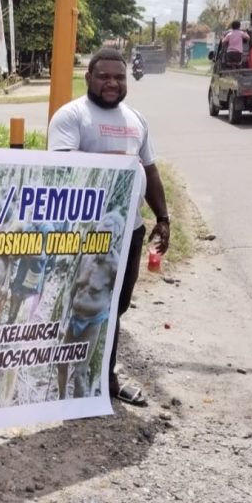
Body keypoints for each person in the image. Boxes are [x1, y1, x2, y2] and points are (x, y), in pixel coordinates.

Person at [47, 47, 170, 406]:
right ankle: (66, 383)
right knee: (81, 306)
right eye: (104, 76)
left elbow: (149, 170)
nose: (112, 83)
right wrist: (116, 164)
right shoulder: (71, 117)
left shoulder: (136, 120)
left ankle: (104, 377)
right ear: (89, 78)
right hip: (87, 233)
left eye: (119, 76)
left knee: (116, 306)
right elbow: (63, 169)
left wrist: (162, 218)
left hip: (129, 231)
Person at [56, 213, 123, 399]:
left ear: (115, 238)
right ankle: (61, 400)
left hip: (93, 321)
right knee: (62, 362)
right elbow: (72, 291)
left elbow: (117, 299)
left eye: (107, 237)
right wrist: (63, 319)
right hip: (74, 318)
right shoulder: (85, 256)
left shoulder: (115, 265)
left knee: (80, 371)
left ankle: (79, 409)